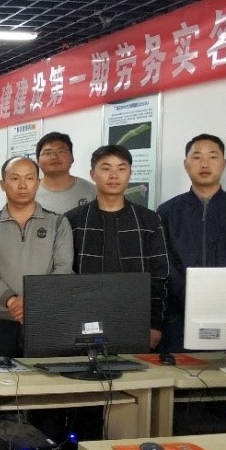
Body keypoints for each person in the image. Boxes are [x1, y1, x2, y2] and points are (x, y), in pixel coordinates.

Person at [157, 134, 226, 351]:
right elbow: (164, 262)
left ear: (224, 163)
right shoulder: (167, 211)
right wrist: (192, 296)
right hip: (177, 315)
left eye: (212, 157)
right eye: (196, 157)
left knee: (224, 369)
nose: (204, 164)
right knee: (178, 370)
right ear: (185, 164)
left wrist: (220, 298)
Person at [65, 145, 169, 349]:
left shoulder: (149, 221)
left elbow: (160, 276)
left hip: (134, 316)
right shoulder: (72, 220)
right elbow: (65, 275)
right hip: (84, 317)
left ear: (130, 174)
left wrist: (155, 324)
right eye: (106, 168)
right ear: (92, 174)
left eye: (121, 168)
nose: (114, 175)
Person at [0, 157, 73, 358]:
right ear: (2, 184)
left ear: (38, 183)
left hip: (45, 317)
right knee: (2, 377)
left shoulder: (58, 223)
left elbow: (64, 268)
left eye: (29, 178)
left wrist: (31, 301)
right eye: (14, 178)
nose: (22, 185)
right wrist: (11, 301)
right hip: (1, 320)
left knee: (44, 377)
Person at [34, 132, 97, 213]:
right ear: (38, 161)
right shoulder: (29, 193)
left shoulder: (92, 191)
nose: (54, 157)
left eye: (61, 151)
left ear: (72, 157)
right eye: (48, 153)